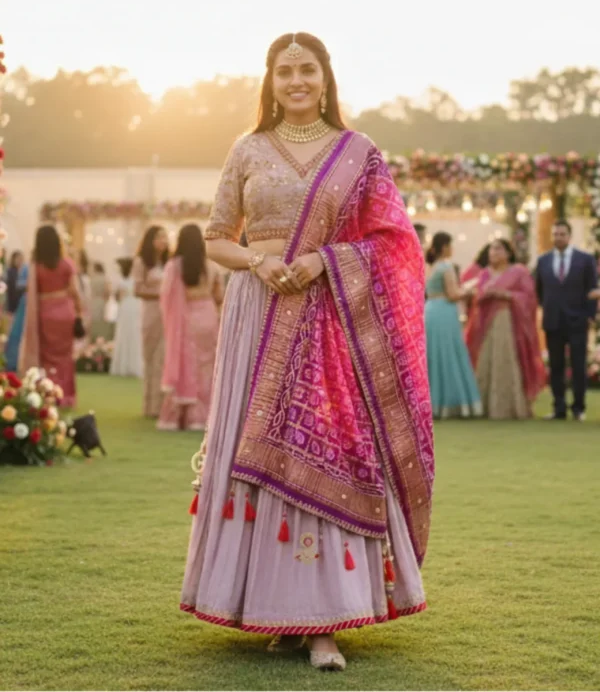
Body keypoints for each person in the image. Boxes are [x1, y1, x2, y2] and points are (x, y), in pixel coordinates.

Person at [180, 33, 433, 671]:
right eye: (285, 71)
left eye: (307, 70)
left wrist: (325, 261)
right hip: (257, 315)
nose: (296, 80)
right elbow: (216, 237)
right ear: (270, 81)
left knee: (327, 447)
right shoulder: (247, 148)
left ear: (326, 79)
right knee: (260, 450)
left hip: (330, 318)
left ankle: (324, 624)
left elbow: (394, 243)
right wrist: (257, 262)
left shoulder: (359, 153)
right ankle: (275, 612)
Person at [465, 239, 546, 419]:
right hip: (486, 326)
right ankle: (485, 407)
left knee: (506, 361)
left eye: (498, 249)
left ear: (508, 253)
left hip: (509, 324)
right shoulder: (485, 273)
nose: (494, 252)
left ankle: (510, 408)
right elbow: (478, 297)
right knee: (485, 362)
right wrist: (485, 294)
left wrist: (506, 294)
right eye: (492, 249)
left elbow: (529, 297)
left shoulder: (518, 272)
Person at [158, 224, 223, 431]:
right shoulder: (210, 266)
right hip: (208, 317)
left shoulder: (174, 266)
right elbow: (219, 296)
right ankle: (200, 419)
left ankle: (178, 417)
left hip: (186, 320)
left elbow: (167, 297)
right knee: (205, 368)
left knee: (185, 364)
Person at [535, 220, 598, 421]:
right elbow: (539, 291)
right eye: (555, 234)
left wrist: (589, 316)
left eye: (562, 234)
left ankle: (578, 408)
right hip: (553, 321)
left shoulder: (585, 260)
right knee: (556, 366)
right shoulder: (543, 261)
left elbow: (592, 290)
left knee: (579, 366)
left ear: (569, 236)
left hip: (578, 320)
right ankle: (559, 408)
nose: (558, 238)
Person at [19, 224, 83, 407]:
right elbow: (74, 291)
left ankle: (49, 393)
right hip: (65, 313)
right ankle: (66, 395)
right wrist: (79, 313)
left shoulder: (36, 267)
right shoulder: (67, 264)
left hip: (45, 314)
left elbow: (32, 293)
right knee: (65, 358)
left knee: (47, 358)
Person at [424, 232, 481, 419]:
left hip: (430, 310)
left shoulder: (430, 267)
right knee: (449, 354)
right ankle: (454, 404)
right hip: (444, 312)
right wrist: (470, 290)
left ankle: (434, 403)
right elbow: (453, 295)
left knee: (434, 356)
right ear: (445, 247)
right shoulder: (446, 267)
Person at [133, 225, 169, 417]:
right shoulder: (141, 261)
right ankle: (150, 406)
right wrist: (162, 293)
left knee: (164, 358)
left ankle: (162, 405)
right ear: (150, 240)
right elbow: (138, 289)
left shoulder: (168, 262)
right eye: (159, 237)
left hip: (168, 313)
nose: (163, 241)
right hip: (151, 312)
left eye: (165, 237)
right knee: (150, 357)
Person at [110, 258, 143, 378]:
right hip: (135, 306)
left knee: (124, 334)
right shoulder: (135, 280)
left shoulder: (122, 281)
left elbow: (118, 297)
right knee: (135, 335)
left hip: (125, 307)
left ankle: (123, 365)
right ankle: (135, 365)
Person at [4, 260, 29, 371]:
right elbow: (19, 284)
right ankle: (12, 362)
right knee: (18, 332)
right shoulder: (27, 267)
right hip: (26, 303)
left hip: (40, 304)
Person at [89, 262, 112, 341]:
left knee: (94, 320)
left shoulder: (92, 278)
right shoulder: (104, 278)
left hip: (93, 300)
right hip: (102, 300)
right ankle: (101, 338)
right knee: (102, 320)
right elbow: (108, 291)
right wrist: (106, 299)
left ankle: (94, 338)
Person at [4, 251, 26, 322]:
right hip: (13, 304)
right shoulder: (11, 271)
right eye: (18, 259)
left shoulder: (21, 271)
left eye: (21, 259)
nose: (20, 261)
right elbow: (14, 287)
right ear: (13, 260)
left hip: (18, 304)